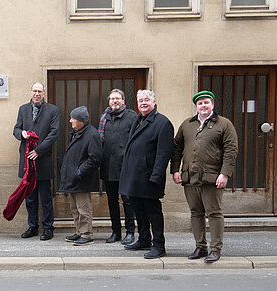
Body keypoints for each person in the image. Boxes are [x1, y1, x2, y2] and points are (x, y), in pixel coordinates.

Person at [171, 91, 238, 263]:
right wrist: (175, 170)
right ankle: (200, 247)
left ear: (212, 105)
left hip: (212, 177)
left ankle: (216, 249)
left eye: (206, 102)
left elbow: (231, 151)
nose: (203, 106)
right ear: (196, 106)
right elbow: (177, 147)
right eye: (200, 103)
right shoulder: (187, 124)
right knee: (196, 212)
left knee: (214, 213)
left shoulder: (224, 124)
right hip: (190, 177)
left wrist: (224, 173)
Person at [119, 90, 174, 259]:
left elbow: (164, 153)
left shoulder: (162, 123)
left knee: (153, 212)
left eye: (147, 100)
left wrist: (156, 177)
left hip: (149, 177)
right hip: (133, 177)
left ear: (154, 101)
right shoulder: (138, 119)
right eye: (140, 100)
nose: (143, 103)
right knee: (138, 210)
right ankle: (144, 239)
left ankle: (159, 245)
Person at [13, 82, 60, 241]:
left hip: (43, 160)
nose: (37, 94)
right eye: (34, 91)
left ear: (44, 93)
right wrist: (22, 133)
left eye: (40, 91)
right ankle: (33, 226)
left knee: (46, 198)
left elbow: (53, 134)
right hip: (27, 162)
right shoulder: (23, 109)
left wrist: (38, 151)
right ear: (31, 92)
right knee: (30, 198)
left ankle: (48, 228)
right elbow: (16, 129)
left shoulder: (52, 110)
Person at [59, 106, 102, 246]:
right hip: (74, 178)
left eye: (73, 118)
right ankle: (79, 231)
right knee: (75, 208)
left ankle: (87, 234)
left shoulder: (92, 134)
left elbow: (94, 159)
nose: (70, 121)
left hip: (83, 179)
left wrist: (79, 171)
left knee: (84, 209)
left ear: (81, 121)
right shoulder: (77, 132)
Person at [99, 89, 137, 245]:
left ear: (123, 100)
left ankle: (130, 232)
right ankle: (116, 232)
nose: (114, 101)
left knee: (128, 200)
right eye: (112, 98)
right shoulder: (105, 117)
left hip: (125, 166)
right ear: (109, 101)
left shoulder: (132, 117)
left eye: (117, 98)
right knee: (112, 201)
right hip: (108, 166)